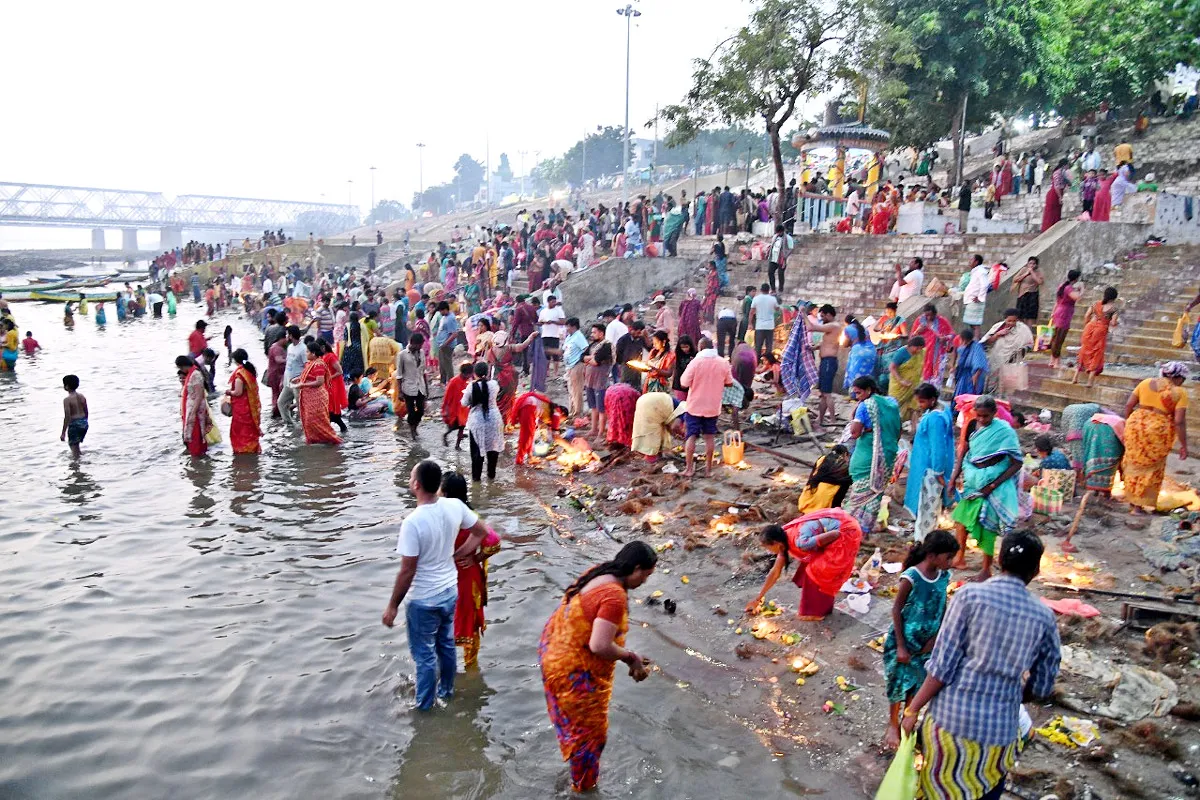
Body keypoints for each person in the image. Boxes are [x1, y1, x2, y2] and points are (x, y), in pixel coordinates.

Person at [902, 531, 1060, 800]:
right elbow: (1043, 685)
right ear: (1035, 570)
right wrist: (1010, 692)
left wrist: (912, 710)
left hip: (949, 726)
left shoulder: (969, 597)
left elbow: (941, 668)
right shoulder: (1044, 617)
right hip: (997, 735)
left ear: (999, 560)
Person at [539, 541, 656, 793]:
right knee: (591, 735)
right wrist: (631, 657)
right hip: (574, 671)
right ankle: (583, 790)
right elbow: (600, 646)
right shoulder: (613, 595)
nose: (644, 582)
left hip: (555, 655)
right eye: (645, 576)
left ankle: (576, 776)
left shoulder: (600, 573)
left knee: (579, 730)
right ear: (635, 568)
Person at [381, 460, 491, 710]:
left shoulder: (412, 522)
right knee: (445, 646)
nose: (410, 480)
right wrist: (461, 554)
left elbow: (407, 571)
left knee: (425, 656)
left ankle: (425, 707)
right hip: (450, 591)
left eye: (411, 476)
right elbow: (482, 532)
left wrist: (392, 606)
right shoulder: (454, 506)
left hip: (424, 599)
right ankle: (447, 692)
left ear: (416, 485)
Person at [883, 531, 959, 750]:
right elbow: (897, 610)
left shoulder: (944, 576)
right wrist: (900, 646)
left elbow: (942, 606)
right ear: (933, 555)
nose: (951, 562)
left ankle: (909, 717)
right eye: (948, 557)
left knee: (916, 682)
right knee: (898, 682)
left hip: (928, 641)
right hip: (905, 640)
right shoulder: (912, 577)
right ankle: (893, 723)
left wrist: (936, 637)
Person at [947, 395, 1022, 581]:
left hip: (995, 481)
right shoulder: (972, 425)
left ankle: (986, 568)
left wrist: (992, 486)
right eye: (978, 415)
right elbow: (964, 451)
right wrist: (953, 478)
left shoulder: (1004, 431)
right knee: (961, 519)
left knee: (989, 524)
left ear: (994, 414)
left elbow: (1016, 463)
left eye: (985, 416)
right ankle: (960, 557)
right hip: (973, 478)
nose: (981, 419)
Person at [746, 509, 864, 621]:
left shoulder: (800, 543)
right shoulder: (783, 538)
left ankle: (816, 613)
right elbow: (775, 572)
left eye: (768, 548)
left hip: (846, 531)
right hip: (833, 529)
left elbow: (835, 534)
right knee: (812, 567)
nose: (769, 551)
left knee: (816, 570)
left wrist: (825, 549)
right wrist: (758, 599)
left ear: (776, 543)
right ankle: (821, 606)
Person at [438, 472, 501, 668]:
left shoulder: (439, 518)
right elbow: (494, 542)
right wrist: (476, 558)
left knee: (440, 628)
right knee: (470, 626)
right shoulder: (472, 518)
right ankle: (471, 668)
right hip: (467, 576)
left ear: (446, 493)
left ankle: (444, 675)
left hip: (445, 579)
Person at [1122, 362, 1190, 513]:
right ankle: (1138, 507)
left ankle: (1133, 503)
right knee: (1151, 469)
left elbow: (1128, 406)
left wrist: (1129, 424)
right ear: (1178, 378)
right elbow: (1179, 421)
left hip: (1136, 425)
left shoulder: (1145, 383)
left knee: (1133, 464)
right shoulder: (1179, 393)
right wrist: (1183, 446)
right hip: (1157, 432)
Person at [845, 376, 902, 533]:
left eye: (858, 393)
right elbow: (898, 429)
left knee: (860, 489)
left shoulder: (866, 406)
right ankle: (865, 527)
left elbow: (854, 432)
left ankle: (852, 527)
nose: (857, 396)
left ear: (868, 390)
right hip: (888, 453)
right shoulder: (891, 403)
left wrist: (860, 419)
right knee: (875, 492)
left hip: (868, 453)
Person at [904, 384, 957, 538]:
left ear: (932, 399)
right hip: (930, 465)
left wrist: (938, 471)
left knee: (927, 507)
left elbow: (938, 447)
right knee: (931, 506)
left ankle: (923, 540)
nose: (919, 405)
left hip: (930, 470)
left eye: (922, 402)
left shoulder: (935, 419)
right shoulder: (943, 409)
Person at [679, 336, 733, 478]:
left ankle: (689, 469)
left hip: (695, 405)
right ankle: (708, 470)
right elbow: (729, 382)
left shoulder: (695, 362)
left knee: (691, 436)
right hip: (713, 406)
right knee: (709, 437)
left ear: (700, 347)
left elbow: (683, 383)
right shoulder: (723, 362)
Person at [293, 342, 342, 445]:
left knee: (316, 421)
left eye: (307, 352)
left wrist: (303, 385)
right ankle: (316, 441)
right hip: (309, 397)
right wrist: (299, 379)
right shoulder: (311, 363)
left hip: (317, 398)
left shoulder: (319, 364)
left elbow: (319, 382)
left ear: (313, 353)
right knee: (309, 421)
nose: (306, 354)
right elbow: (309, 377)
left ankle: (332, 439)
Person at [463, 361, 504, 481]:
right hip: (494, 419)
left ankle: (476, 481)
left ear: (474, 373)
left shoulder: (471, 386)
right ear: (487, 372)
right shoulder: (494, 384)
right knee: (493, 449)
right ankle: (491, 477)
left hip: (477, 421)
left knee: (476, 453)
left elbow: (464, 402)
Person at [1072, 287, 1119, 387]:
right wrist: (1115, 323)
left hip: (1089, 328)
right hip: (1101, 330)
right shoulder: (1114, 309)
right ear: (1114, 297)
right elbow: (1113, 323)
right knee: (1096, 354)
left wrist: (1087, 326)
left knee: (1083, 351)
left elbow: (1086, 315)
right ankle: (1089, 381)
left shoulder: (1096, 304)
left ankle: (1075, 377)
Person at [981, 309, 1034, 396]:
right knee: (993, 383)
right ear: (1005, 319)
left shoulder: (1023, 329)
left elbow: (1030, 344)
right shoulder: (998, 327)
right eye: (1009, 321)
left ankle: (1003, 402)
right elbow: (986, 342)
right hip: (996, 360)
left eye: (1014, 321)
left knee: (1007, 387)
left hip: (1011, 362)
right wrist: (997, 334)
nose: (1011, 323)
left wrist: (1020, 351)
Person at [631, 392, 687, 462]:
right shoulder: (685, 412)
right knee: (652, 432)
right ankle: (651, 457)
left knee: (649, 428)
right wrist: (682, 435)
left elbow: (669, 427)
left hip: (644, 400)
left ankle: (655, 454)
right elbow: (674, 426)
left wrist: (675, 434)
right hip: (653, 404)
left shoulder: (681, 407)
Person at [225, 349, 262, 454]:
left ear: (235, 360)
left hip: (241, 409)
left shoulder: (239, 375)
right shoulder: (249, 370)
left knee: (240, 431)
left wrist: (228, 392)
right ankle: (252, 450)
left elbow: (238, 392)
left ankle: (243, 452)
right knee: (249, 430)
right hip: (249, 408)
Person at [797, 445, 852, 512]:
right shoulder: (842, 466)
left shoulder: (822, 459)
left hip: (806, 501)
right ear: (845, 454)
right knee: (846, 482)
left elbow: (812, 476)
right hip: (823, 506)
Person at [1048, 269, 1084, 368]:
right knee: (1059, 338)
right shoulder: (1068, 288)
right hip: (1064, 313)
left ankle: (1053, 360)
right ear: (1076, 279)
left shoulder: (1062, 285)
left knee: (1056, 338)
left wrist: (1053, 312)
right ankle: (1056, 362)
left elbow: (1057, 301)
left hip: (1059, 311)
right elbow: (1077, 298)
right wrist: (1081, 289)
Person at [909, 304, 954, 383]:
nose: (929, 317)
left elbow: (952, 334)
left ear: (935, 314)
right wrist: (917, 331)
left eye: (931, 315)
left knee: (936, 381)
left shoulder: (942, 321)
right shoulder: (919, 321)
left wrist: (945, 338)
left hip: (938, 355)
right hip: (922, 354)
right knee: (922, 381)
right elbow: (911, 339)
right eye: (927, 315)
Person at [583, 324, 614, 440]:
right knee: (593, 406)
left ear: (601, 333)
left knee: (601, 408)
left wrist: (589, 359)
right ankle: (593, 429)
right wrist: (589, 358)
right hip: (590, 381)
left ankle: (601, 432)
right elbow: (582, 357)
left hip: (601, 381)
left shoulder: (606, 346)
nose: (592, 334)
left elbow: (596, 361)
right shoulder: (593, 344)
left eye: (594, 332)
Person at [176, 355, 210, 457]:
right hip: (190, 408)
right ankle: (196, 456)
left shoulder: (195, 375)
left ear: (183, 366)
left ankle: (197, 459)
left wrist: (193, 412)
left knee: (195, 434)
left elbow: (199, 395)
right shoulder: (191, 374)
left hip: (195, 409)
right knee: (192, 434)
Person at [888, 336, 926, 427]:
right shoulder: (902, 353)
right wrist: (901, 381)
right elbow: (892, 367)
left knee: (915, 407)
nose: (918, 351)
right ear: (911, 345)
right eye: (917, 348)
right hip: (899, 386)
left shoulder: (920, 353)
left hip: (914, 385)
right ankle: (892, 426)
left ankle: (914, 430)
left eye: (920, 349)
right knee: (894, 406)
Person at [396, 332, 428, 440]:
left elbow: (423, 372)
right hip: (408, 386)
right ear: (412, 343)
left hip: (420, 386)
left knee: (421, 411)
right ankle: (412, 430)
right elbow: (399, 375)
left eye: (421, 346)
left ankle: (415, 426)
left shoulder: (422, 353)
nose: (419, 347)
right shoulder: (402, 355)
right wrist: (400, 392)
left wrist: (427, 389)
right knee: (411, 411)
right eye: (418, 345)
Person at [276, 326, 305, 426]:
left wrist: (301, 380)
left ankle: (304, 430)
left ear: (291, 336)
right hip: (288, 382)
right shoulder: (290, 347)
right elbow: (288, 364)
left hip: (297, 384)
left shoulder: (303, 349)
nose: (287, 336)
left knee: (301, 409)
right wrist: (283, 380)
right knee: (281, 403)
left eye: (288, 334)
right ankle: (290, 424)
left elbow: (307, 367)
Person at [319, 339, 349, 434]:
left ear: (323, 347)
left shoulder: (331, 357)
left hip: (332, 386)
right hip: (328, 385)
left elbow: (340, 371)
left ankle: (328, 433)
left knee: (330, 410)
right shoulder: (324, 356)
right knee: (330, 412)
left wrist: (328, 378)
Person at [949, 328, 988, 398]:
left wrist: (975, 377)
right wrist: (954, 367)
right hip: (963, 375)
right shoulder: (962, 347)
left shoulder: (976, 347)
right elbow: (960, 360)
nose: (962, 342)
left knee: (970, 395)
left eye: (965, 341)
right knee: (960, 395)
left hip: (972, 375)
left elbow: (980, 364)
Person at [563, 317, 589, 420]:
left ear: (573, 326)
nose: (566, 328)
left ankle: (578, 413)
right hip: (570, 366)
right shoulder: (569, 336)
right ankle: (572, 411)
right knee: (571, 390)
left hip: (577, 365)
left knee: (577, 390)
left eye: (568, 326)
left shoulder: (578, 336)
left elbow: (586, 348)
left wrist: (582, 360)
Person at [441, 362, 472, 448]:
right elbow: (447, 397)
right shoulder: (453, 381)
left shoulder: (467, 382)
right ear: (464, 373)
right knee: (453, 427)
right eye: (469, 374)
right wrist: (446, 409)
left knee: (462, 426)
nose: (470, 376)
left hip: (463, 409)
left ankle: (457, 445)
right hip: (453, 409)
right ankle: (445, 435)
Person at [604, 382, 641, 449]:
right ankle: (626, 441)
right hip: (625, 402)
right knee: (627, 423)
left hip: (613, 398)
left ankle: (615, 440)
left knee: (614, 421)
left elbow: (607, 407)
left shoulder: (611, 389)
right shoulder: (635, 393)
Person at [842, 320, 877, 391]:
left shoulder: (848, 329)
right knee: (869, 375)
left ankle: (855, 393)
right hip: (872, 351)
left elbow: (845, 344)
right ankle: (869, 392)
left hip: (858, 353)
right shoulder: (864, 329)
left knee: (854, 374)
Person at [1010, 257, 1044, 328]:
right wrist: (1026, 274)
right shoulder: (1023, 270)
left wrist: (1032, 272)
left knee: (1030, 316)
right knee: (1020, 315)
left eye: (1033, 264)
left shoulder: (1038, 271)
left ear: (1036, 265)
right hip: (1022, 294)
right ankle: (1020, 330)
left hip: (1033, 294)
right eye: (1030, 263)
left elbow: (1040, 282)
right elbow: (1015, 279)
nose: (1031, 265)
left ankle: (1028, 331)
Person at [961, 255, 991, 336]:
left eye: (971, 260)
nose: (969, 262)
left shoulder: (981, 271)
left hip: (976, 301)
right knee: (971, 323)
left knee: (975, 324)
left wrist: (980, 297)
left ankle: (976, 342)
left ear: (976, 262)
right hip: (971, 300)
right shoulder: (976, 271)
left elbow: (985, 285)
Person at [749, 283, 780, 362]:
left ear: (761, 290)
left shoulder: (756, 299)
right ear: (768, 290)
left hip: (760, 325)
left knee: (758, 346)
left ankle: (756, 363)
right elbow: (777, 308)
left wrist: (750, 323)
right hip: (770, 326)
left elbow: (751, 312)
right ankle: (767, 363)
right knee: (769, 346)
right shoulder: (772, 299)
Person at [60, 374, 88, 456]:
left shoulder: (67, 400)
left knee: (73, 447)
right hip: (84, 423)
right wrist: (85, 422)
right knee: (77, 446)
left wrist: (63, 432)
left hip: (74, 424)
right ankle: (80, 461)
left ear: (67, 386)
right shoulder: (82, 396)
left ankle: (76, 466)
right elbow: (86, 411)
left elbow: (67, 416)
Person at [1041, 158, 1070, 231]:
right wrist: (1060, 197)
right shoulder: (1057, 173)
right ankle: (1049, 229)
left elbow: (1068, 183)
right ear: (1064, 165)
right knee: (1052, 213)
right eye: (1067, 165)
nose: (1068, 166)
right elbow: (1056, 186)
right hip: (1055, 194)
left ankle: (1055, 229)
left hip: (1059, 193)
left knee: (1057, 212)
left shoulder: (1063, 173)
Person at [643, 330, 674, 394]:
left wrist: (656, 370)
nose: (654, 345)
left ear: (663, 342)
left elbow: (669, 373)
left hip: (660, 385)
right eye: (653, 343)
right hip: (649, 382)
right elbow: (647, 364)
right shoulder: (653, 352)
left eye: (656, 343)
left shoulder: (670, 355)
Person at [767, 225, 791, 294]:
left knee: (780, 274)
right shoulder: (775, 236)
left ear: (782, 231)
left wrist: (785, 256)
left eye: (779, 232)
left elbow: (791, 248)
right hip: (773, 258)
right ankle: (773, 289)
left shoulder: (788, 238)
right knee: (770, 272)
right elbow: (772, 245)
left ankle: (780, 289)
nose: (778, 234)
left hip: (782, 259)